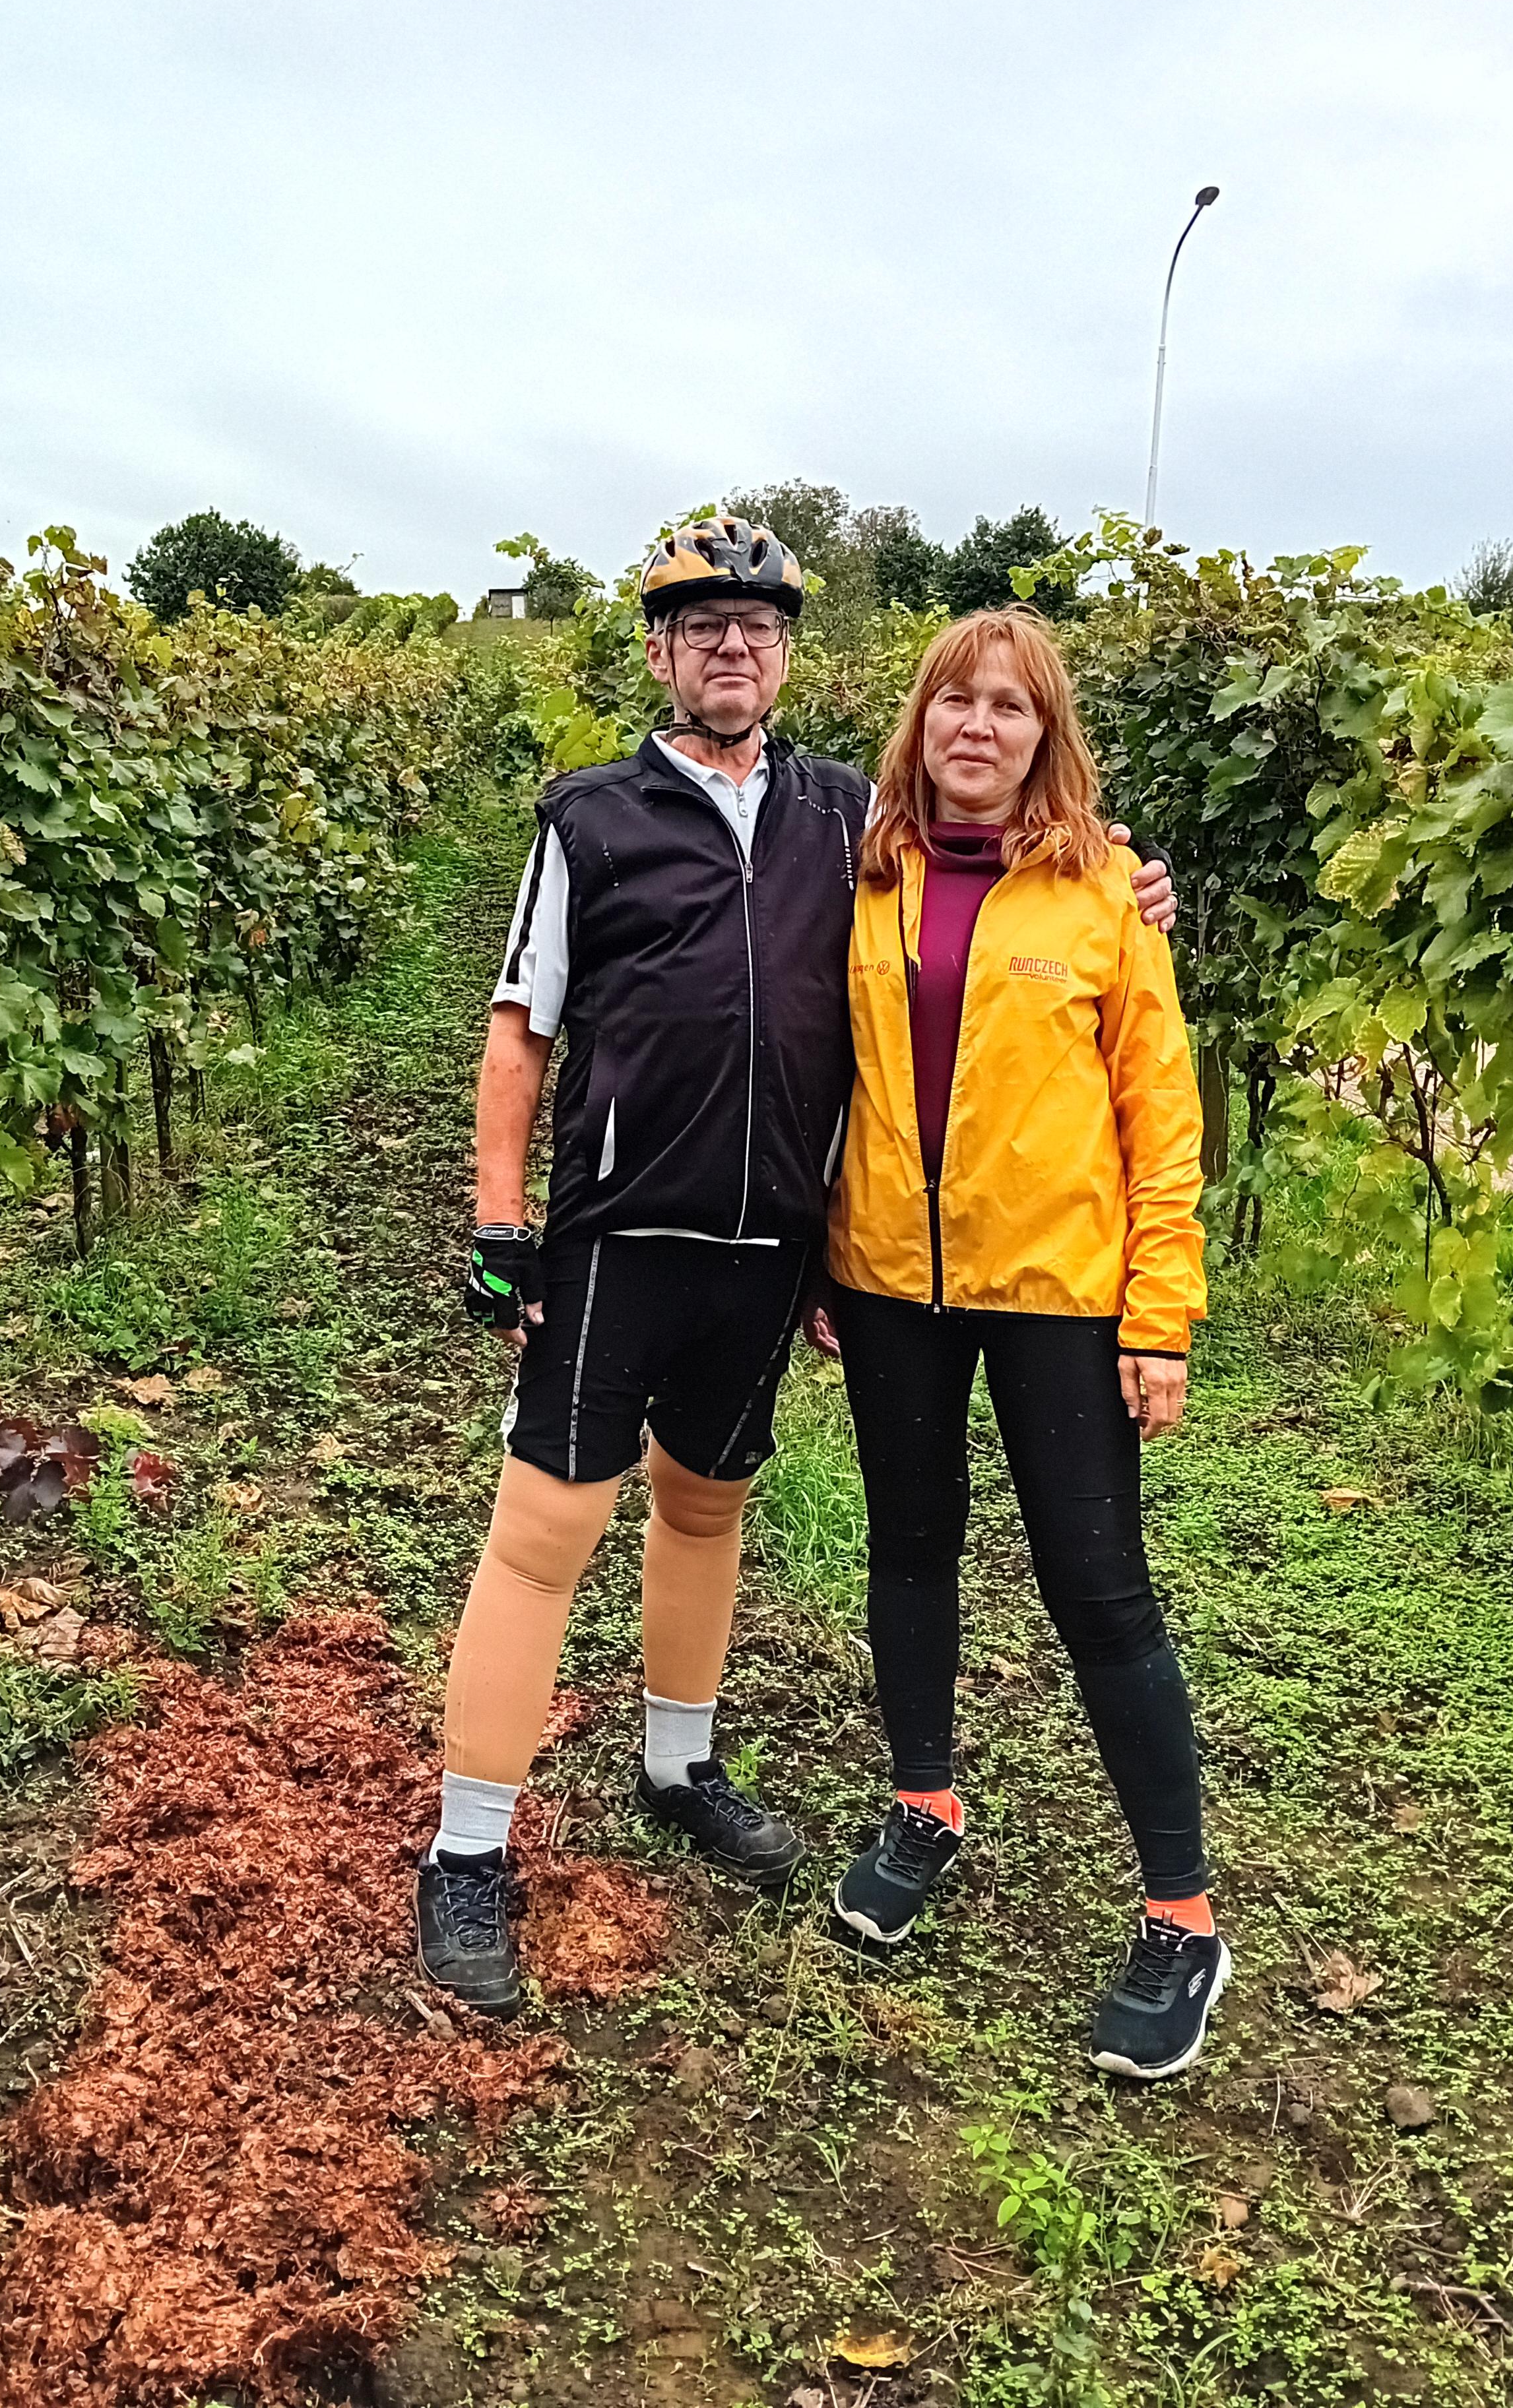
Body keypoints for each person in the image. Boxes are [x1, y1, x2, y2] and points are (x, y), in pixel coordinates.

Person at [418, 523, 1178, 2021]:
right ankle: (466, 1850)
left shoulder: (849, 818)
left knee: (706, 1503)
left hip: (773, 1247)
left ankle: (679, 1763)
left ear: (786, 656)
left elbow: (1004, 851)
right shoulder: (589, 818)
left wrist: (1128, 878)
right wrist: (503, 1222)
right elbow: (521, 1026)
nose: (731, 647)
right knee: (545, 1531)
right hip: (622, 1236)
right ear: (659, 652)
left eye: (757, 626)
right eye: (702, 625)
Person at [820, 604, 1223, 2081]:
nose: (976, 727)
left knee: (1097, 1587)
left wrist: (1160, 1313)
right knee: (910, 1547)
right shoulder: (864, 871)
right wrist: (824, 1252)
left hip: (1061, 1291)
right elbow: (827, 1071)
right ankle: (924, 1803)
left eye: (1008, 706)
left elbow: (1161, 1119)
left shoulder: (1106, 891)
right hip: (889, 1281)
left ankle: (1181, 1916)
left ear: (1047, 736)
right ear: (919, 722)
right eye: (954, 701)